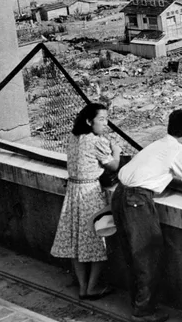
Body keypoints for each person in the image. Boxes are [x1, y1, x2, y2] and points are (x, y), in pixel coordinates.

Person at [111, 109, 182, 322]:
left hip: (119, 193)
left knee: (131, 253)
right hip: (137, 200)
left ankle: (138, 303)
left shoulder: (156, 144)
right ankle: (143, 312)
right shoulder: (178, 149)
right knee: (148, 255)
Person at [51, 102, 121, 300]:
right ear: (89, 121)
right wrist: (115, 149)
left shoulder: (73, 137)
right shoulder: (96, 141)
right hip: (90, 192)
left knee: (76, 242)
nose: (105, 123)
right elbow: (114, 166)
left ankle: (83, 286)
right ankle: (92, 288)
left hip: (73, 192)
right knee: (98, 239)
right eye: (101, 119)